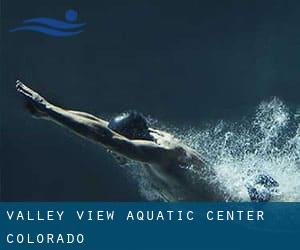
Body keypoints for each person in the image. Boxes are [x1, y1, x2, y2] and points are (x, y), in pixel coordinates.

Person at [15, 80, 277, 201]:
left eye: (115, 146)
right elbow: (99, 126)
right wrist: (51, 113)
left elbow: (105, 137)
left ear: (132, 140)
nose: (111, 151)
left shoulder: (161, 154)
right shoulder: (146, 139)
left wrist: (48, 109)